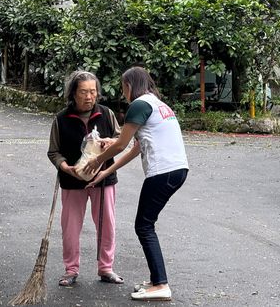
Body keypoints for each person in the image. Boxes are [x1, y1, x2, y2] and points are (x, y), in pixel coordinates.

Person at [84, 66, 188, 301]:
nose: (123, 94)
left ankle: (161, 284)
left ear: (129, 85)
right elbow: (135, 146)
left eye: (123, 88)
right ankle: (156, 280)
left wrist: (97, 161)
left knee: (144, 225)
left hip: (163, 170)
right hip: (177, 169)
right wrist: (105, 172)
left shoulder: (139, 104)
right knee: (146, 224)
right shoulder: (158, 104)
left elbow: (121, 145)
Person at [47, 70, 124, 287]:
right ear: (73, 94)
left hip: (103, 178)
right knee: (70, 227)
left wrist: (110, 142)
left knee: (106, 224)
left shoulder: (106, 114)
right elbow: (54, 152)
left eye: (93, 92)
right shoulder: (61, 119)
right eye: (83, 92)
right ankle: (71, 270)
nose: (89, 97)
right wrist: (65, 167)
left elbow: (120, 140)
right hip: (72, 180)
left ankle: (106, 268)